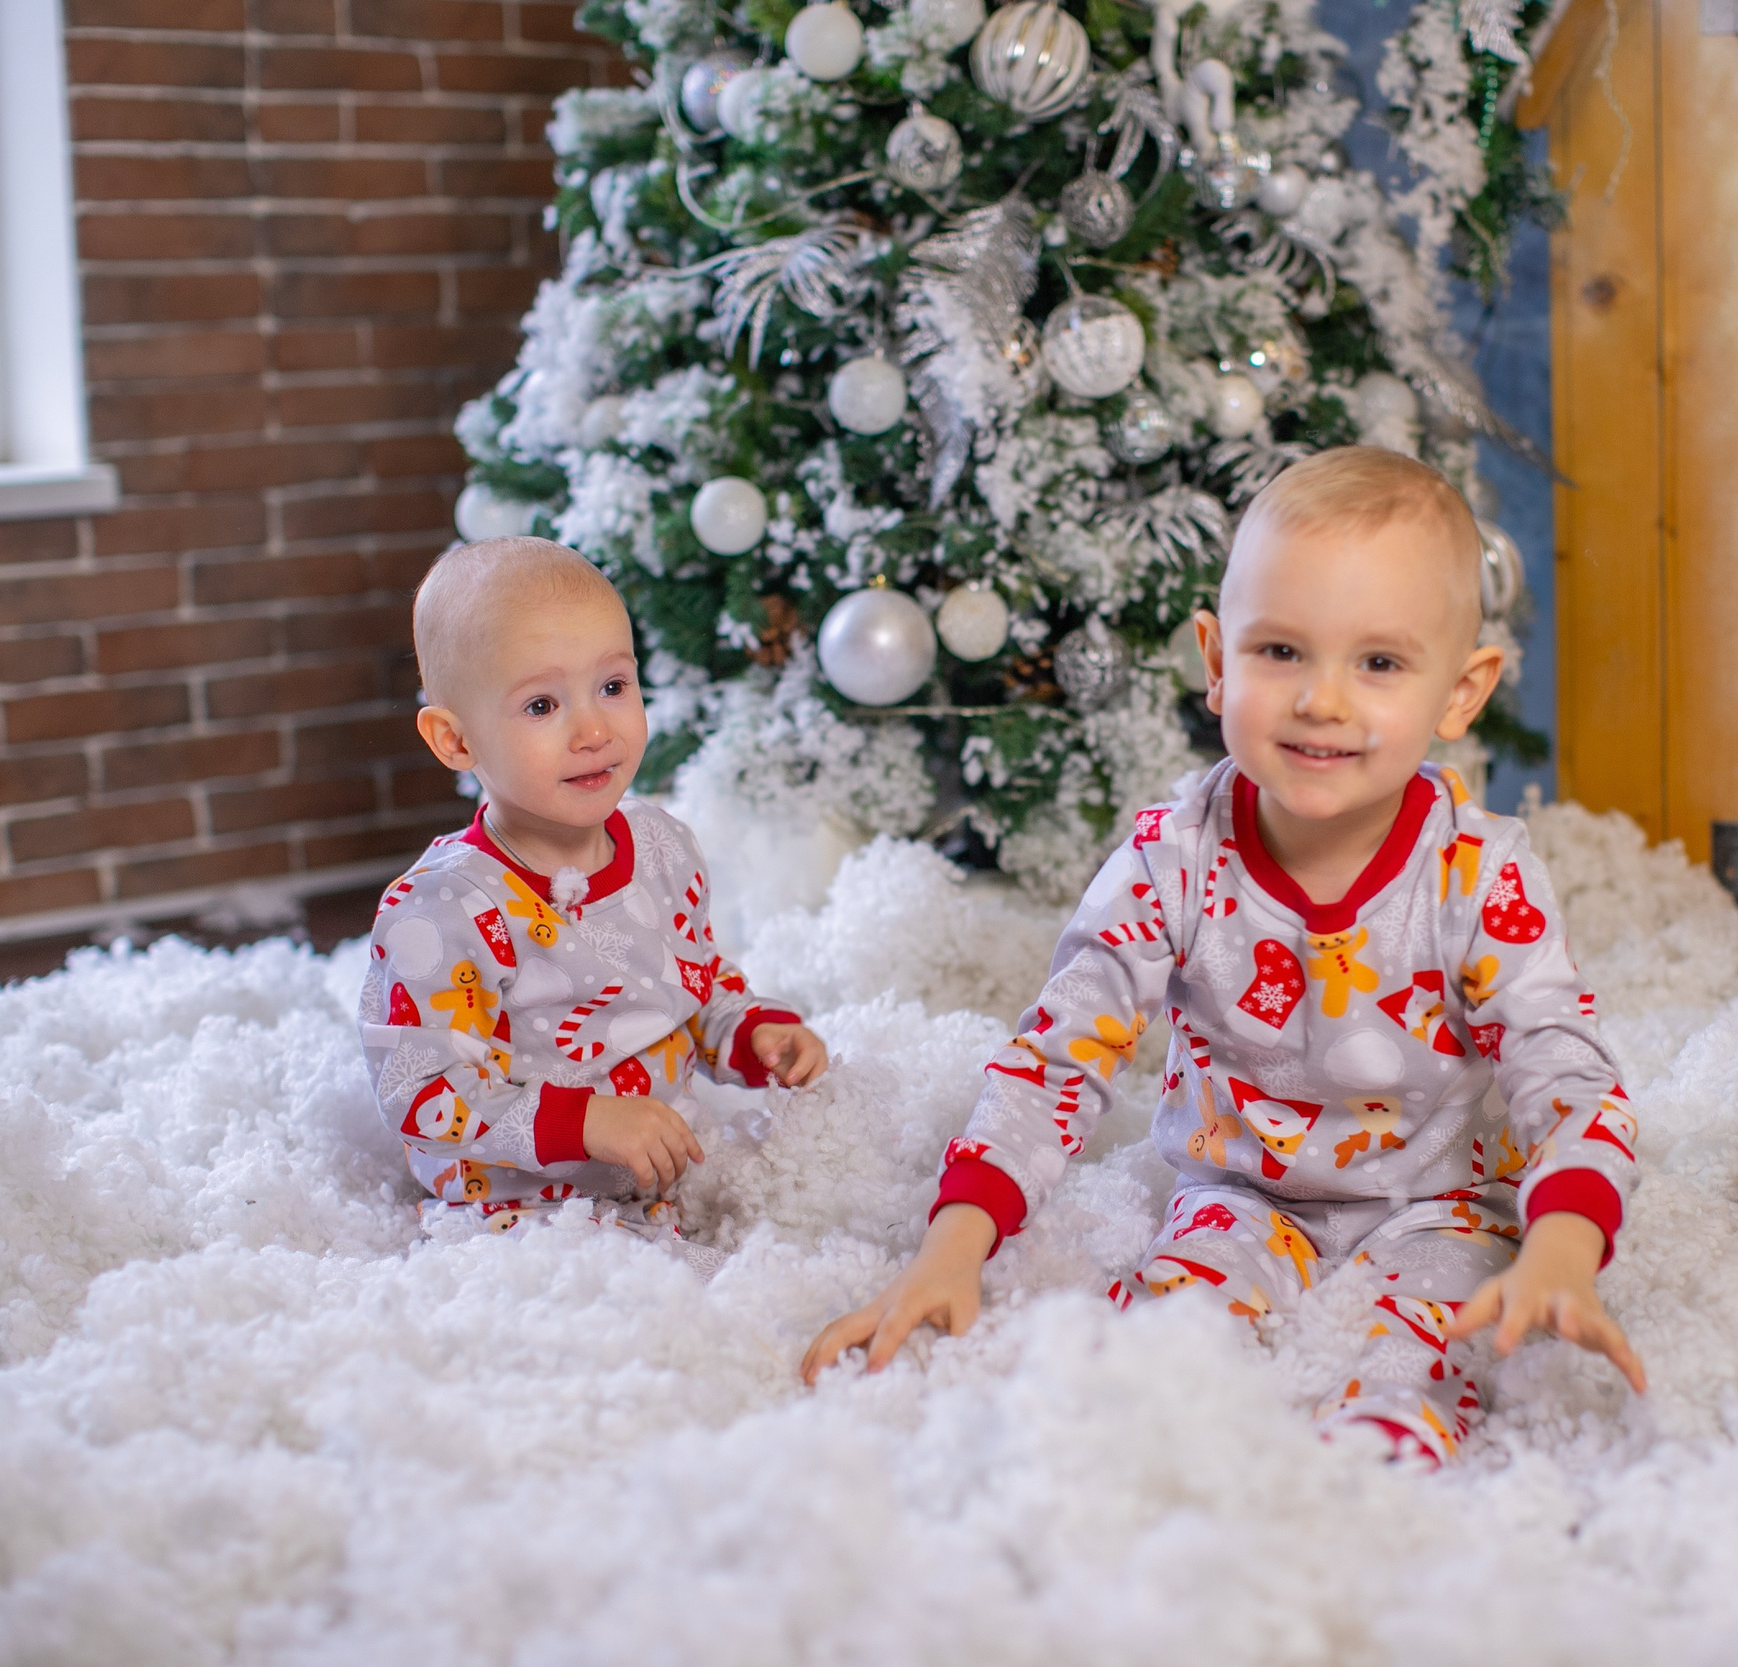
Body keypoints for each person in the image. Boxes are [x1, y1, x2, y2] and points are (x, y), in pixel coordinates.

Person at [803, 446, 1645, 1463]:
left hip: (1441, 1204)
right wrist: (953, 1244)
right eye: (1280, 652)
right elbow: (1055, 1058)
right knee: (1144, 1371)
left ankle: (1351, 1499)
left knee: (1431, 1354)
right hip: (1240, 1195)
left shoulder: (1478, 872)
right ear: (1216, 660)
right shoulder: (1174, 856)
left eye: (1377, 663)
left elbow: (1566, 1070)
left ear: (1460, 694)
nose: (1321, 701)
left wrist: (1561, 1238)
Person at [356, 536, 826, 1257]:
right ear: (455, 740)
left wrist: (749, 1029)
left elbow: (690, 980)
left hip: (661, 1178)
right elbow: (420, 1090)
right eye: (542, 704)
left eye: (613, 686)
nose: (595, 730)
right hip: (518, 1214)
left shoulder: (662, 847)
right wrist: (584, 1121)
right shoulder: (445, 909)